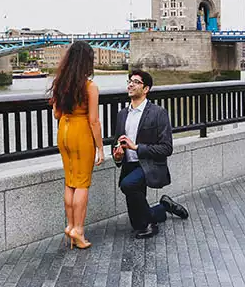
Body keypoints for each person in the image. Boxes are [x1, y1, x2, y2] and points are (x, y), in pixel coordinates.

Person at [111, 70, 188, 239]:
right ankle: (164, 207)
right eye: (129, 81)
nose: (130, 84)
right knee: (136, 223)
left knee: (127, 185)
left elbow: (166, 148)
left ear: (146, 89)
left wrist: (137, 147)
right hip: (129, 165)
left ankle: (151, 226)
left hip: (150, 165)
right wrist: (117, 155)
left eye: (136, 82)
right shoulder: (122, 114)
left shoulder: (158, 113)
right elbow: (116, 143)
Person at [49, 41, 104, 250]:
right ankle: (78, 230)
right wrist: (100, 147)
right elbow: (93, 121)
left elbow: (56, 114)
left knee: (70, 181)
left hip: (64, 131)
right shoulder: (89, 87)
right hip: (81, 133)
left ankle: (70, 225)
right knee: (82, 183)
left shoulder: (60, 83)